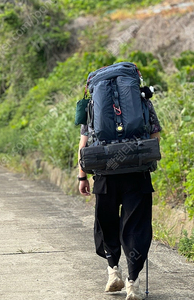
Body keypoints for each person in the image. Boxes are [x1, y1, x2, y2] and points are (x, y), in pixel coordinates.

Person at [77, 99, 162, 300]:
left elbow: (83, 144)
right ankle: (133, 283)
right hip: (136, 174)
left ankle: (113, 271)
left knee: (106, 224)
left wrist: (82, 176)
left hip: (105, 173)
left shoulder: (93, 104)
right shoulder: (141, 101)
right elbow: (155, 137)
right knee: (136, 227)